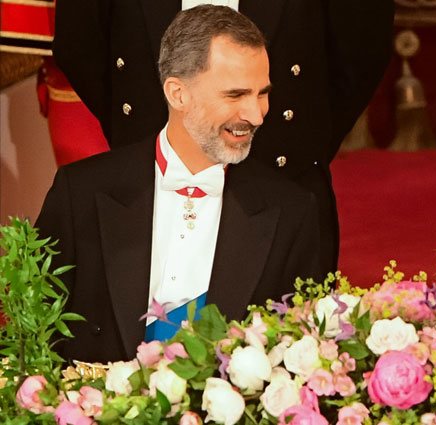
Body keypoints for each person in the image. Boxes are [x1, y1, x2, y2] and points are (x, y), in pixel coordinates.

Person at [35, 6, 322, 362]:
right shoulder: (80, 192)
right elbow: (34, 333)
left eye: (261, 93)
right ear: (177, 93)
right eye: (235, 95)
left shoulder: (293, 211)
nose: (256, 114)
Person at [52, 0, 395, 276]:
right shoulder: (74, 191)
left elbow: (361, 47)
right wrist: (145, 140)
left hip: (281, 176)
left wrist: (298, 143)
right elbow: (80, 43)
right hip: (144, 182)